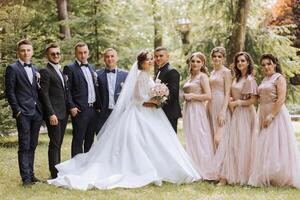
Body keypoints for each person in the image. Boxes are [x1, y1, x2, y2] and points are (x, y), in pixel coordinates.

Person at [48, 50, 200, 190]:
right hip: (140, 112)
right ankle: (141, 169)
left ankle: (160, 168)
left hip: (150, 113)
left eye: (152, 59)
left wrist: (158, 98)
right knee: (140, 141)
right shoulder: (140, 75)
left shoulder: (147, 75)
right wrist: (154, 102)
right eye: (149, 59)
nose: (152, 61)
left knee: (155, 141)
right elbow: (137, 97)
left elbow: (146, 94)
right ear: (142, 62)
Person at [248, 53, 300, 188]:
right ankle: (268, 174)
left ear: (274, 64)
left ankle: (280, 175)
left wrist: (271, 116)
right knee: (266, 143)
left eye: (269, 64)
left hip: (276, 113)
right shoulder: (265, 79)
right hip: (263, 111)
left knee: (277, 142)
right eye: (264, 65)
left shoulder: (279, 78)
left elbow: (281, 99)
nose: (266, 67)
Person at [215, 52, 258, 185]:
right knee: (231, 143)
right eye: (238, 61)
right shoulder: (236, 78)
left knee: (243, 144)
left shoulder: (250, 79)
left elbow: (254, 100)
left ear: (248, 63)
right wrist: (232, 100)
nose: (240, 63)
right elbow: (234, 93)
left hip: (246, 114)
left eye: (243, 61)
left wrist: (238, 102)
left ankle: (242, 176)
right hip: (235, 113)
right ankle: (226, 176)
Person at [5, 39, 43, 187]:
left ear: (32, 52)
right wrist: (17, 111)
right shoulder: (12, 68)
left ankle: (32, 175)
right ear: (18, 52)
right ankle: (25, 178)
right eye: (23, 50)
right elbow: (10, 92)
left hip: (36, 113)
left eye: (28, 50)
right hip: (23, 113)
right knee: (24, 145)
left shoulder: (35, 68)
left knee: (32, 144)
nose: (25, 53)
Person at [63, 42, 101, 157]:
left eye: (85, 52)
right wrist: (72, 106)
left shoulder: (92, 68)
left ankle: (87, 167)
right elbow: (67, 90)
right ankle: (76, 167)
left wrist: (98, 107)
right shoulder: (69, 68)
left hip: (93, 110)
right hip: (79, 110)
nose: (83, 55)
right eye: (80, 53)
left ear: (88, 53)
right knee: (78, 140)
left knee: (90, 140)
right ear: (76, 54)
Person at [182, 52, 214, 180]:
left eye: (198, 61)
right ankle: (193, 168)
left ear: (202, 64)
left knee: (200, 137)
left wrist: (193, 96)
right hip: (188, 109)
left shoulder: (202, 77)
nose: (195, 63)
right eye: (193, 61)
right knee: (190, 138)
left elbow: (208, 96)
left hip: (197, 109)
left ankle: (205, 170)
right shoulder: (190, 77)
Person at [39, 43, 69, 179]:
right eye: (53, 54)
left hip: (63, 113)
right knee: (55, 144)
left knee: (58, 144)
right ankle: (55, 173)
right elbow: (44, 94)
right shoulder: (45, 71)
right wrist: (51, 113)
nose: (56, 56)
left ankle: (58, 169)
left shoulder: (59, 70)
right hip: (54, 114)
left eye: (58, 53)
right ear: (47, 55)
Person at [95, 48, 128, 134]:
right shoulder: (97, 74)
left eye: (112, 56)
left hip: (119, 113)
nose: (110, 59)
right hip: (103, 114)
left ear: (117, 58)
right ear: (104, 59)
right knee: (101, 138)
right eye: (107, 57)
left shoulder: (125, 75)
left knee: (118, 138)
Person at [208, 47, 232, 150]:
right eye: (214, 56)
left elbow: (227, 93)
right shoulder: (212, 72)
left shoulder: (226, 72)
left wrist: (223, 111)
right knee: (213, 135)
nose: (216, 58)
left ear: (223, 58)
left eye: (219, 56)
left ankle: (225, 163)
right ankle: (217, 163)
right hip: (211, 104)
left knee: (219, 138)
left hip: (221, 103)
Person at [154, 47, 181, 133]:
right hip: (160, 111)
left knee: (171, 140)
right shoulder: (159, 71)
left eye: (161, 56)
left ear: (167, 56)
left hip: (170, 112)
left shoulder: (172, 71)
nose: (158, 58)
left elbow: (173, 94)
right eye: (156, 56)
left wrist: (157, 101)